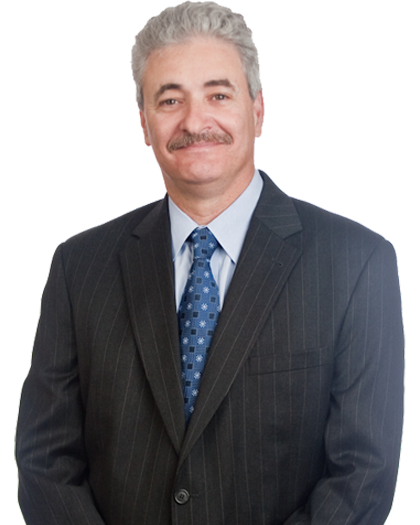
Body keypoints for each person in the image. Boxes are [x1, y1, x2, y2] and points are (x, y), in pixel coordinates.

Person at [16, 2, 404, 524]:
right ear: (144, 124)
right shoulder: (78, 268)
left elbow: (363, 475)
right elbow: (45, 460)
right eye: (169, 100)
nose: (195, 121)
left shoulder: (357, 264)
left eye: (218, 95)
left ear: (258, 110)